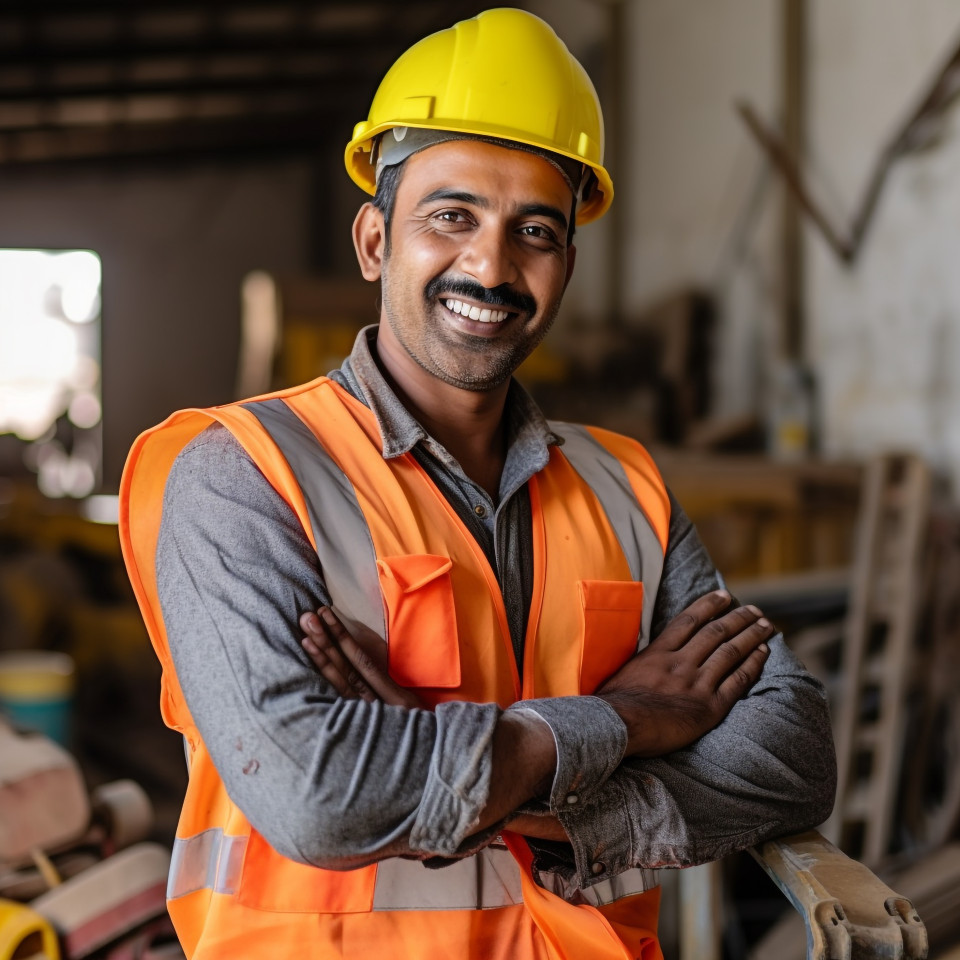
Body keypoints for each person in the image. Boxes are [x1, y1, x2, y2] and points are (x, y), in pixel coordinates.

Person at [119, 9, 836, 959]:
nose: (491, 266)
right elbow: (319, 795)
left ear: (568, 266)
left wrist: (535, 801)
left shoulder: (626, 488)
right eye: (451, 216)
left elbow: (793, 754)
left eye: (534, 230)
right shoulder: (243, 476)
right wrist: (625, 719)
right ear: (376, 241)